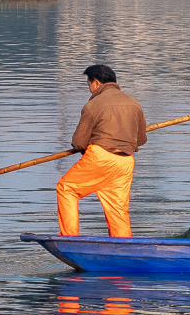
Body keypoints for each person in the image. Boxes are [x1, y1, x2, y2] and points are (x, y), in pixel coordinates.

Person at [56, 63, 148, 239]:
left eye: (89, 84)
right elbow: (140, 140)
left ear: (96, 83)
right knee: (118, 209)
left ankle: (69, 237)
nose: (89, 89)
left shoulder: (93, 105)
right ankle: (123, 245)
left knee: (66, 188)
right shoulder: (133, 103)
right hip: (125, 162)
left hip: (101, 157)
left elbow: (79, 143)